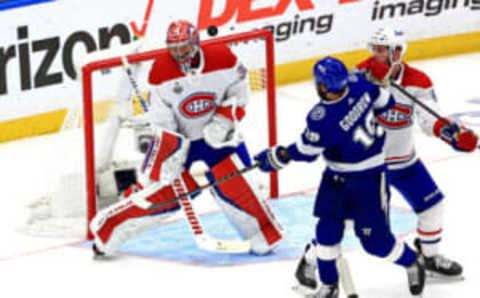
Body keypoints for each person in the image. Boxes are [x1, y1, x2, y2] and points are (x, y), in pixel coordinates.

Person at [89, 20, 283, 257]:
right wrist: (172, 152)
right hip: (182, 144)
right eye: (174, 48)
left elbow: (240, 93)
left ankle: (262, 235)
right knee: (158, 194)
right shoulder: (160, 70)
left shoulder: (222, 57)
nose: (179, 53)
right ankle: (106, 233)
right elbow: (162, 120)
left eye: (184, 47)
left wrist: (222, 121)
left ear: (196, 43)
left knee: (239, 189)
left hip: (220, 140)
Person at [254, 56, 425, 298]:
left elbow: (307, 152)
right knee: (326, 233)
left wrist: (279, 155)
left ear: (323, 86)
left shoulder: (322, 117)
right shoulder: (360, 83)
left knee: (377, 244)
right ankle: (329, 286)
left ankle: (412, 261)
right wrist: (377, 86)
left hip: (369, 180)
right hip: (336, 179)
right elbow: (385, 103)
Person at [355, 27, 478, 279]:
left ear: (397, 53)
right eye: (374, 50)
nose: (375, 55)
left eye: (382, 50)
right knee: (348, 220)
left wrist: (453, 135)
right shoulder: (359, 74)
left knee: (433, 206)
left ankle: (430, 257)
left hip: (405, 162)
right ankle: (313, 258)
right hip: (370, 166)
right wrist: (367, 85)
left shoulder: (418, 81)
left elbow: (428, 120)